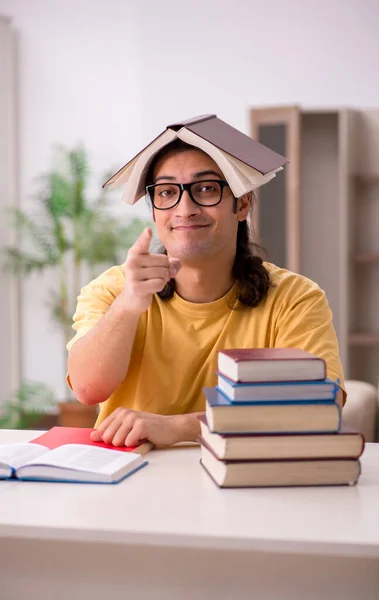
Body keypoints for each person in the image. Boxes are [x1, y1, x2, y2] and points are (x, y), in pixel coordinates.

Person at [67, 134, 345, 449]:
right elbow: (88, 390)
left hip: (247, 477)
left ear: (242, 204)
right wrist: (128, 305)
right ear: (155, 212)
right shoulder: (113, 290)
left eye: (206, 189)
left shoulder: (295, 299)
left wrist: (180, 427)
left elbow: (319, 408)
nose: (185, 209)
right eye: (167, 192)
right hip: (130, 477)